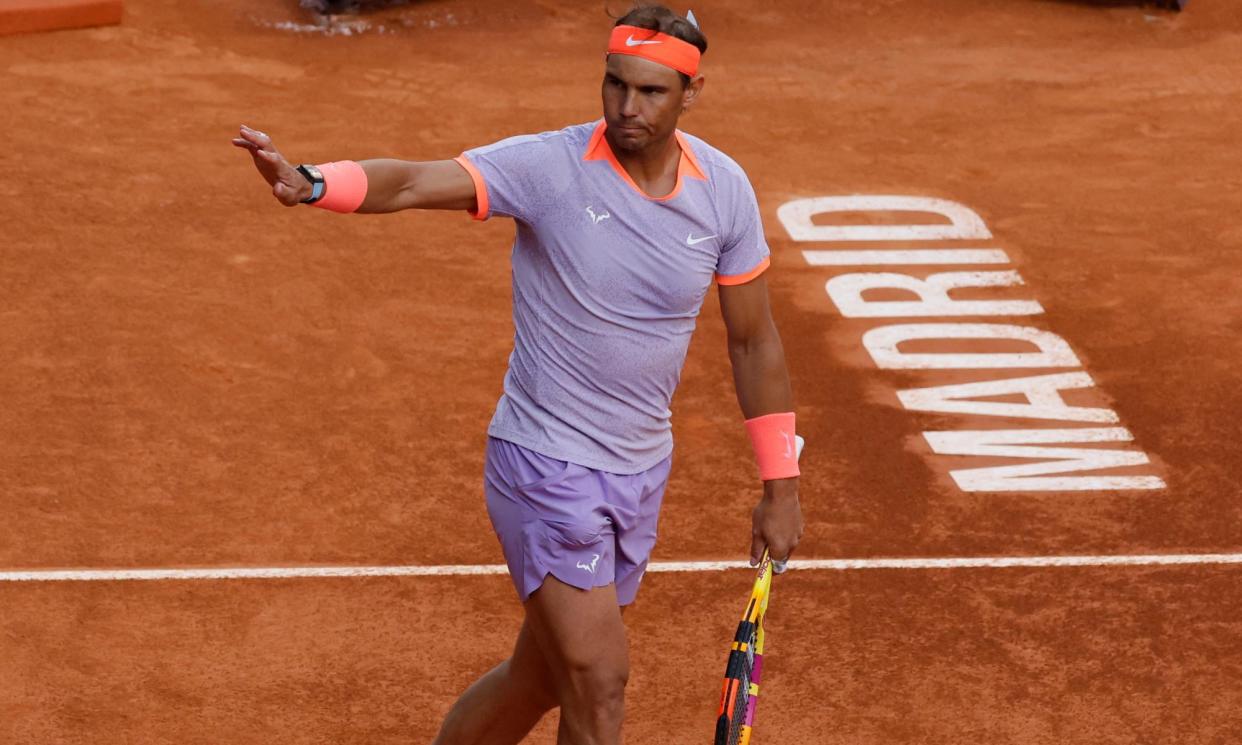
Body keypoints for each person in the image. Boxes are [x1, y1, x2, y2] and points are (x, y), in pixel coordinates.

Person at [232, 5, 803, 743]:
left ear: (692, 93)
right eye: (615, 84)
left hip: (639, 470)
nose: (627, 108)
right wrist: (311, 182)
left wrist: (780, 486)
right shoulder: (551, 168)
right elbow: (412, 182)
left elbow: (753, 343)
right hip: (545, 465)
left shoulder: (723, 190)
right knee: (600, 684)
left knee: (542, 679)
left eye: (652, 92)